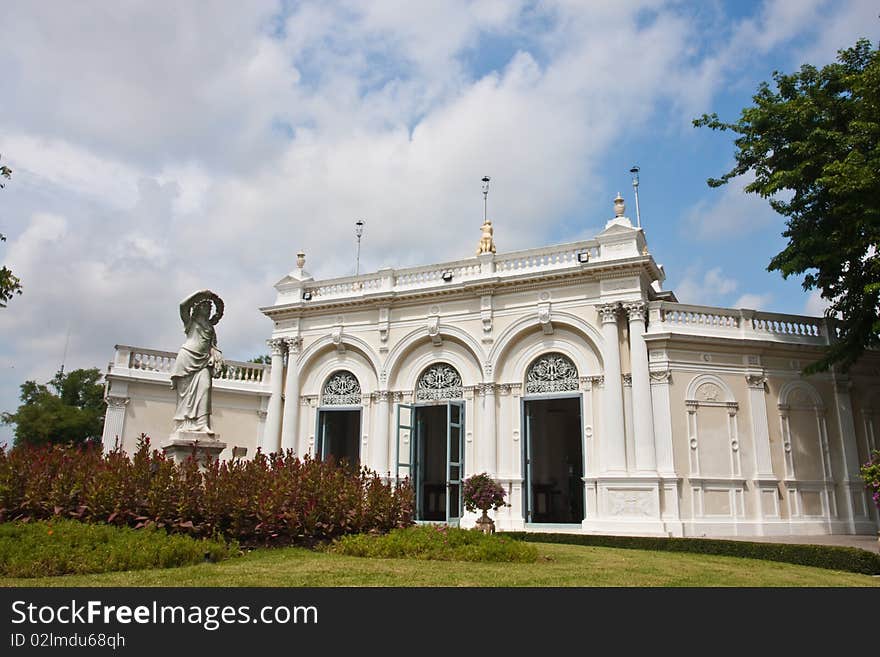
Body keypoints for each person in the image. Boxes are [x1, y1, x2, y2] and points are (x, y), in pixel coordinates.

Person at [170, 289, 224, 434]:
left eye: (210, 307)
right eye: (206, 306)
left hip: (204, 361)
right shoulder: (190, 322)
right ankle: (184, 423)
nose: (208, 309)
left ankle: (202, 423)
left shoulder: (210, 327)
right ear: (198, 307)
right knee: (185, 396)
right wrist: (199, 294)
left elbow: (213, 346)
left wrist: (216, 356)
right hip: (187, 358)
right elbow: (182, 306)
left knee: (205, 388)